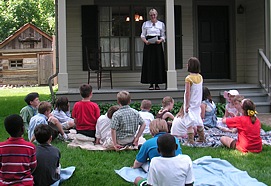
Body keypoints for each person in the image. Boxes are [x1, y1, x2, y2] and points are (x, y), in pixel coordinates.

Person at [0, 114, 37, 185]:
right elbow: (33, 166)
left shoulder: (1, 147)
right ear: (22, 129)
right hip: (25, 183)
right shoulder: (30, 147)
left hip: (5, 183)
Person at [140, 8, 166, 90]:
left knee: (157, 63)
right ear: (149, 16)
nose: (153, 16)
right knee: (149, 64)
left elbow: (163, 35)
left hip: (157, 45)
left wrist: (160, 40)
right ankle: (151, 84)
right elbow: (142, 35)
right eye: (151, 15)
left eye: (154, 14)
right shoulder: (145, 24)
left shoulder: (161, 24)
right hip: (149, 45)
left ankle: (157, 84)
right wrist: (145, 41)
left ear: (156, 15)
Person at [183, 57, 205, 144]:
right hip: (197, 102)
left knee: (189, 121)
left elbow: (188, 92)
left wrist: (187, 104)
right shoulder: (200, 77)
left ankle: (190, 140)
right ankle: (201, 137)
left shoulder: (188, 78)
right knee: (198, 119)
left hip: (191, 102)